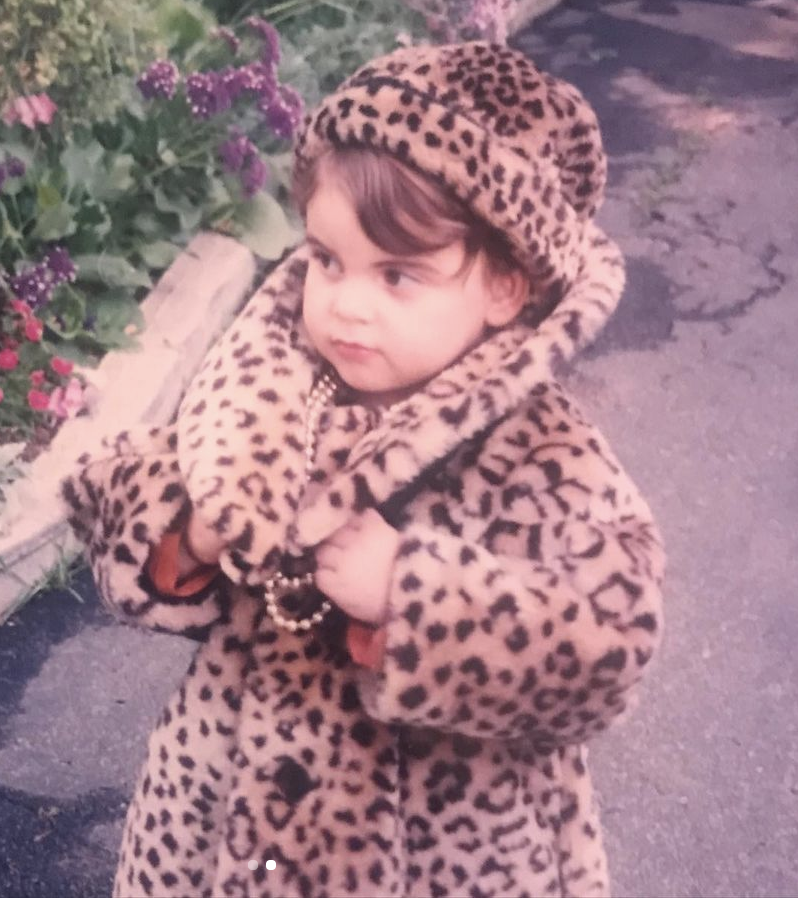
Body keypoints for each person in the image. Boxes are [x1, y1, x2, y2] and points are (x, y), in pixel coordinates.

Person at [61, 40, 666, 898]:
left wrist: (415, 594)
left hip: (444, 850)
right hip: (229, 818)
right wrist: (187, 527)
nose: (345, 302)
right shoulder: (271, 394)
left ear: (503, 285)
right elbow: (115, 484)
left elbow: (608, 642)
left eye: (398, 275)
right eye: (328, 261)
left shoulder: (542, 452)